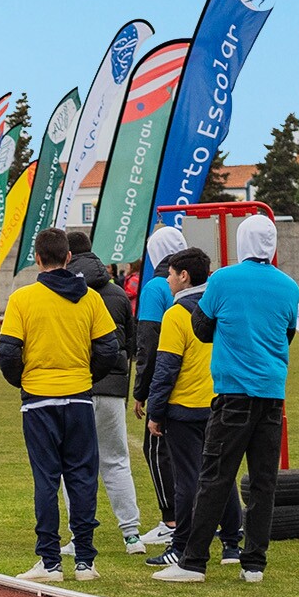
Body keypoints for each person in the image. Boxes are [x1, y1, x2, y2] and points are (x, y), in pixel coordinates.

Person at [155, 215, 299, 584]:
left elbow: (201, 328)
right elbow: (288, 333)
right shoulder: (288, 286)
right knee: (264, 481)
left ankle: (194, 562)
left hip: (233, 391)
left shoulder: (221, 279)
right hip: (271, 392)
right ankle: (254, 562)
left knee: (215, 477)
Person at [0, 227, 122, 583]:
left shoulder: (23, 299)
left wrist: (24, 380)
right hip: (79, 398)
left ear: (37, 259)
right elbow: (108, 349)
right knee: (82, 478)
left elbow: (8, 352)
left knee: (46, 480)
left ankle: (50, 560)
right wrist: (85, 375)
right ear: (69, 258)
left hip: (39, 400)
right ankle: (84, 560)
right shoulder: (90, 299)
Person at [143, 248, 241, 572]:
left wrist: (155, 411)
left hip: (185, 407)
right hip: (219, 401)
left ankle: (181, 544)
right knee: (221, 474)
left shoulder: (176, 314)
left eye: (170, 274)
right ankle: (231, 544)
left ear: (183, 276)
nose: (168, 281)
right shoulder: (222, 304)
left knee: (187, 480)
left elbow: (167, 367)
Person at [66, 230, 144, 555]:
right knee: (116, 461)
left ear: (67, 256)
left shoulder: (64, 292)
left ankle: (78, 536)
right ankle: (132, 535)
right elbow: (130, 343)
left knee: (74, 464)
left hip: (76, 386)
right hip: (112, 387)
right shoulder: (117, 293)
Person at [131, 226, 187, 546]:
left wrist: (142, 391)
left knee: (156, 450)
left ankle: (171, 519)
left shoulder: (155, 287)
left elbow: (148, 341)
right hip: (198, 378)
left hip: (168, 380)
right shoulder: (197, 279)